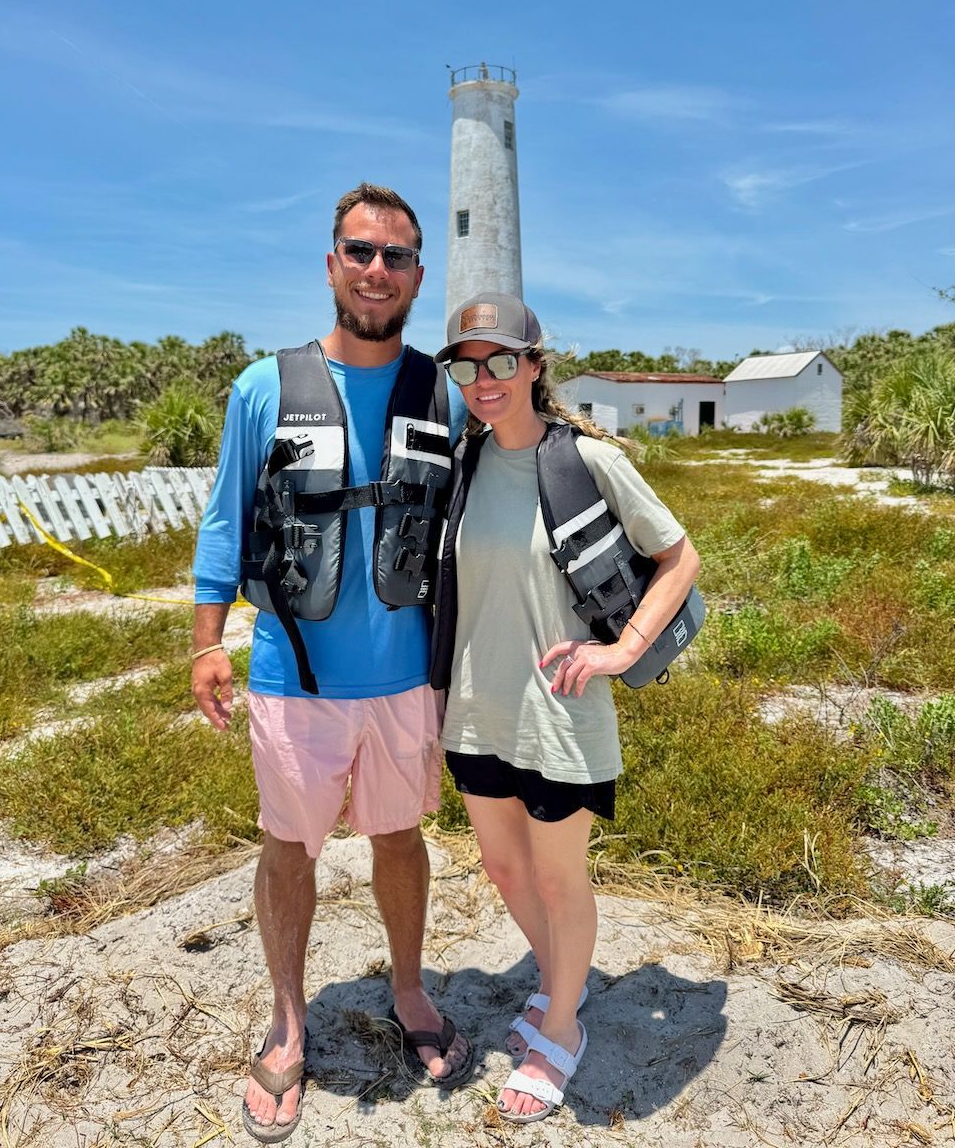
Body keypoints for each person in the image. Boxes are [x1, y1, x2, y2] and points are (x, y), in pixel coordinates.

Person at [191, 184, 472, 1143]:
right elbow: (226, 521)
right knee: (287, 848)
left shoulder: (445, 393)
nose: (376, 271)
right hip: (291, 677)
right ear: (330, 264)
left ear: (418, 276)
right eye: (359, 251)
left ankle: (409, 992)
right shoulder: (263, 389)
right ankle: (286, 1020)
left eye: (395, 257)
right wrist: (205, 644)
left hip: (404, 683)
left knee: (400, 841)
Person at [430, 294, 700, 1125]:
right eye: (466, 364)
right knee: (507, 871)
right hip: (477, 707)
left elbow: (678, 555)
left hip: (559, 709)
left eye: (502, 360)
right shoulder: (464, 462)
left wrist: (622, 651)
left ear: (536, 366)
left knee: (557, 874)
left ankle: (558, 1030)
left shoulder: (584, 459)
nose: (484, 379)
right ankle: (565, 993)